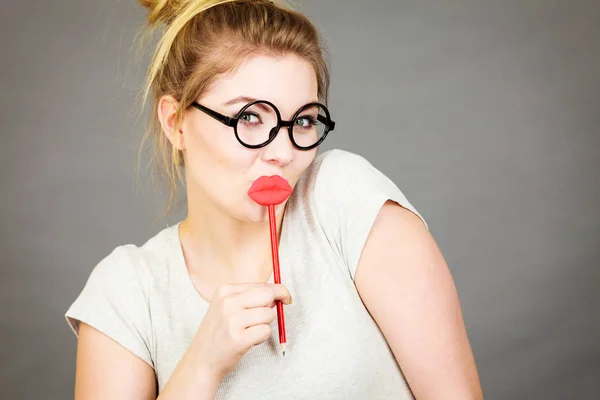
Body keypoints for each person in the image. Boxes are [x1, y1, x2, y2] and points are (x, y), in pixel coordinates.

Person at [65, 0, 483, 398]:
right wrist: (201, 366)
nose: (283, 153)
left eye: (302, 121)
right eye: (249, 116)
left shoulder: (347, 202)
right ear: (176, 123)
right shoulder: (125, 291)